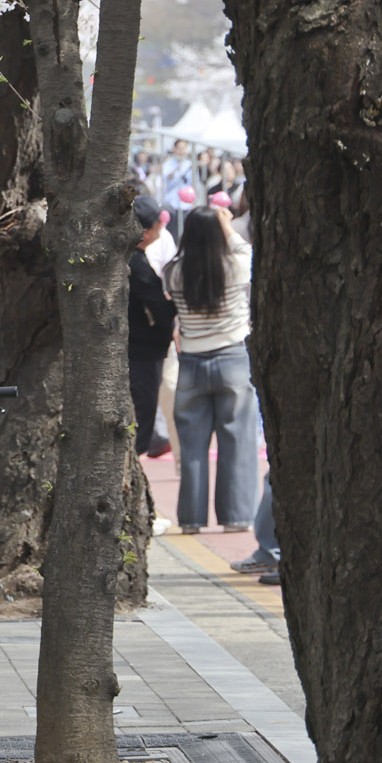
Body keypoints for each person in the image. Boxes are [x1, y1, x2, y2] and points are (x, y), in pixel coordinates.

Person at [163, 205, 259, 533]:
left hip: (191, 361)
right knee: (236, 440)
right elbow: (248, 252)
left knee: (192, 445)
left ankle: (191, 519)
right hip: (233, 357)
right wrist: (228, 227)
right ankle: (235, 518)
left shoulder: (174, 272)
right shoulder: (233, 265)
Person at [127, 195, 176, 458]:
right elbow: (159, 306)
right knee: (142, 414)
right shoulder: (138, 267)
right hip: (144, 352)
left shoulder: (128, 261)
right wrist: (166, 333)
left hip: (137, 348)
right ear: (145, 232)